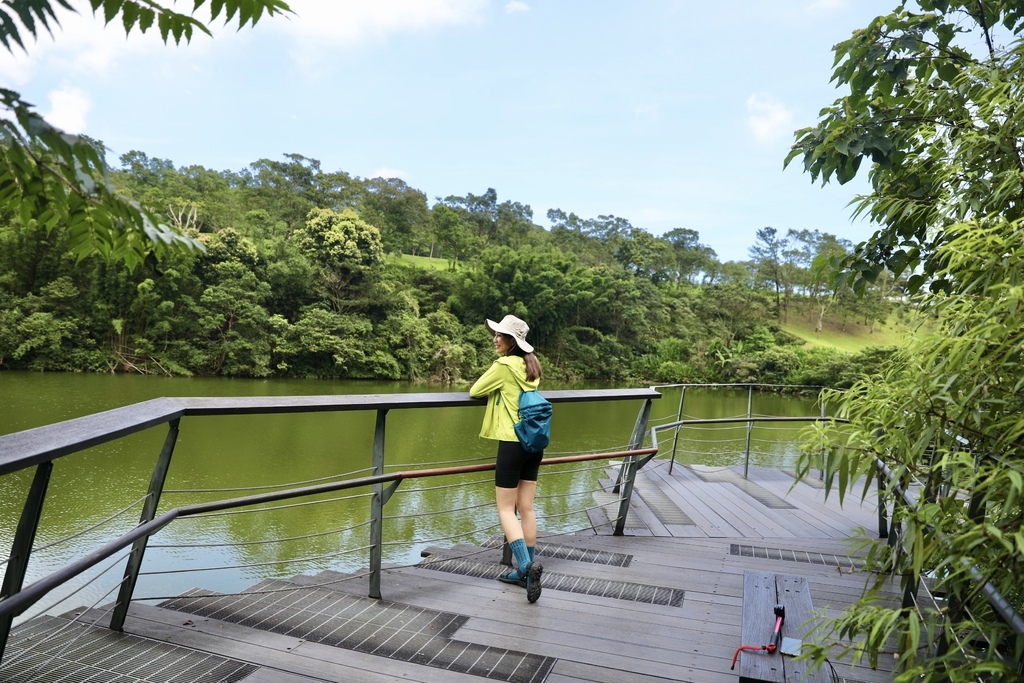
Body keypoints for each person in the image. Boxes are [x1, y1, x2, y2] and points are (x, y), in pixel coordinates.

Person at [469, 314, 544, 603]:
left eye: (500, 335)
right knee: (526, 507)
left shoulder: (503, 366)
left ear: (512, 341)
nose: (495, 338)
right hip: (534, 443)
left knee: (505, 509)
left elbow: (475, 390)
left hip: (512, 443)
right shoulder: (532, 366)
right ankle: (527, 569)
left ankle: (525, 567)